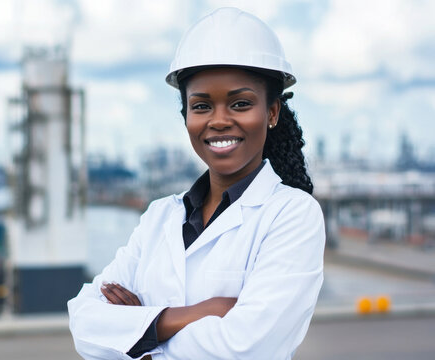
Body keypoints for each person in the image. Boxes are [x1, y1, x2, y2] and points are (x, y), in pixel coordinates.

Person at [68, 7, 325, 360]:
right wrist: (190, 315)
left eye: (240, 103)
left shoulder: (293, 215)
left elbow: (246, 347)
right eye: (201, 106)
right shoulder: (159, 217)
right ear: (185, 115)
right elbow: (84, 321)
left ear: (272, 112)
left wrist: (137, 332)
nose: (219, 121)